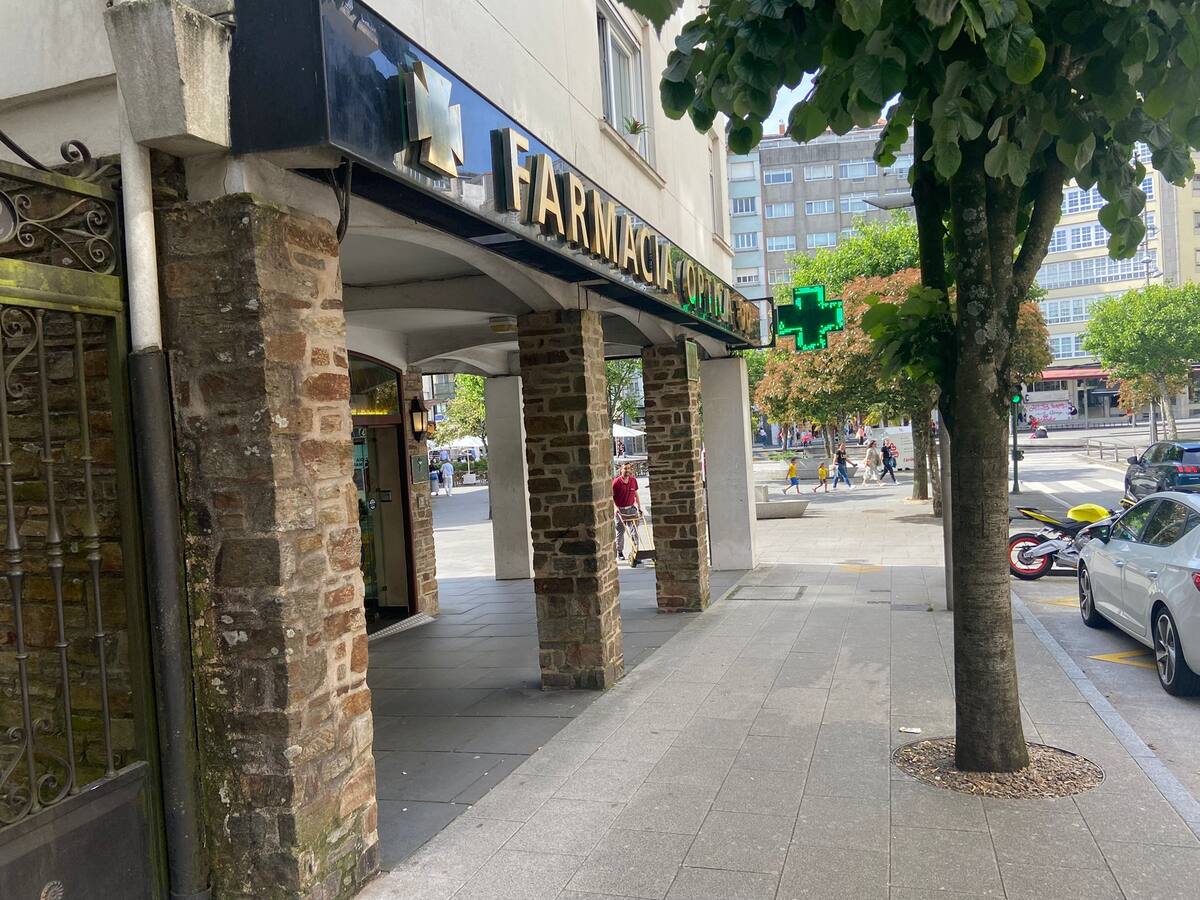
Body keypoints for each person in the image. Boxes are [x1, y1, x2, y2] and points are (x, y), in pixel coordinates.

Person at [612, 462, 641, 561]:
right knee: (620, 531)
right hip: (620, 510)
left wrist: (639, 507)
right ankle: (620, 552)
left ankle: (636, 552)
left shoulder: (633, 480)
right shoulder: (616, 482)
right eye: (625, 468)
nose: (627, 470)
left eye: (628, 468)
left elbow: (636, 494)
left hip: (631, 509)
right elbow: (611, 497)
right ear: (621, 470)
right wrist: (615, 508)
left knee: (634, 531)